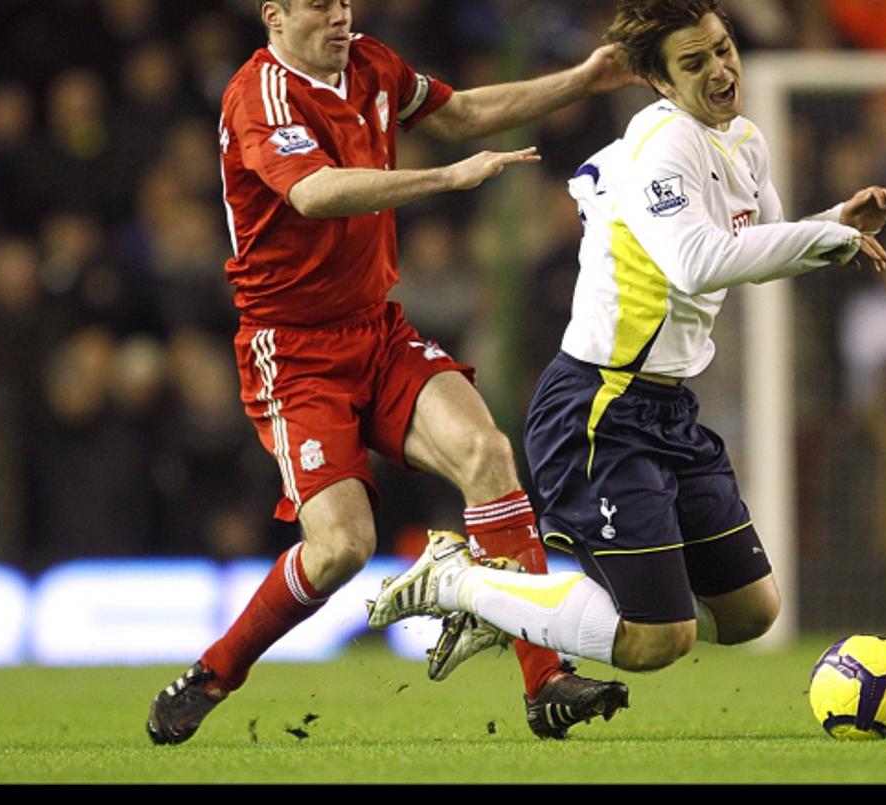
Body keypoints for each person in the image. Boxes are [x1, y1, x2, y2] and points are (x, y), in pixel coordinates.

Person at [368, 0, 886, 687]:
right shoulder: (662, 143)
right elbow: (697, 263)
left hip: (666, 408)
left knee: (750, 612)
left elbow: (763, 246)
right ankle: (462, 582)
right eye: (694, 62)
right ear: (658, 81)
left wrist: (834, 221)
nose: (720, 68)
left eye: (722, 47)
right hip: (600, 407)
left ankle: (525, 606)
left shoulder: (742, 139)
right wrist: (827, 238)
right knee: (659, 638)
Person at [146, 0, 641, 744]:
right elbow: (314, 192)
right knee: (342, 546)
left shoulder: (373, 64)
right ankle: (217, 670)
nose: (340, 15)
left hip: (376, 329)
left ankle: (546, 681)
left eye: (345, 0)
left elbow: (465, 110)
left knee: (487, 452)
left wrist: (582, 78)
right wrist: (442, 182)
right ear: (274, 16)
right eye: (320, 4)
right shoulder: (261, 95)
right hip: (294, 351)